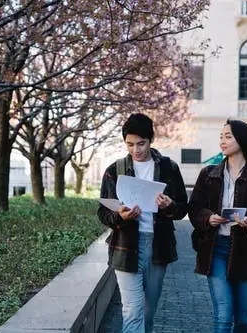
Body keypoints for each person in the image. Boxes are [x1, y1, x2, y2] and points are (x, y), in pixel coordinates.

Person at [97, 113, 188, 333]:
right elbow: (103, 212)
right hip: (126, 246)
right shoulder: (115, 170)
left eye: (141, 144)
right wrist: (121, 215)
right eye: (130, 144)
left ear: (151, 140)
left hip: (158, 245)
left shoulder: (169, 168)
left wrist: (169, 206)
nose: (136, 150)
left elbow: (183, 209)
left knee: (148, 311)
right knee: (132, 310)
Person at [188, 119, 247, 333]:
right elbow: (194, 208)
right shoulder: (208, 174)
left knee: (243, 320)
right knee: (223, 314)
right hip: (215, 248)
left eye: (228, 136)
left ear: (243, 139)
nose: (223, 141)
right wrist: (208, 218)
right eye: (221, 136)